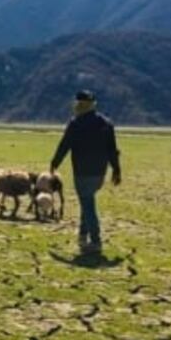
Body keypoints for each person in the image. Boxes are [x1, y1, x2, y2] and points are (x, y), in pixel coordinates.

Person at [50, 90, 121, 254]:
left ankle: (95, 241)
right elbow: (112, 150)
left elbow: (64, 145)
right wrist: (116, 170)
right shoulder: (106, 123)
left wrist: (55, 163)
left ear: (80, 105)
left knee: (88, 205)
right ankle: (82, 236)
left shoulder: (76, 123)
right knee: (86, 202)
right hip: (99, 173)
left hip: (82, 172)